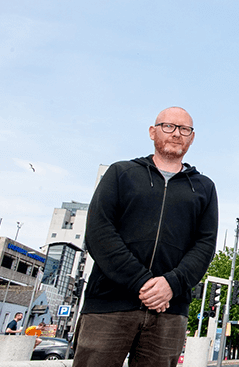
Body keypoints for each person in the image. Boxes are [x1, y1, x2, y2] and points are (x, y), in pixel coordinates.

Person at [74, 107, 219, 367]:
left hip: (169, 310)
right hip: (109, 305)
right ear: (153, 132)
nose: (177, 134)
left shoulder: (204, 188)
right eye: (169, 126)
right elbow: (99, 232)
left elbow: (205, 246)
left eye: (184, 129)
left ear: (192, 138)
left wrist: (171, 285)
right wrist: (142, 282)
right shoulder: (121, 173)